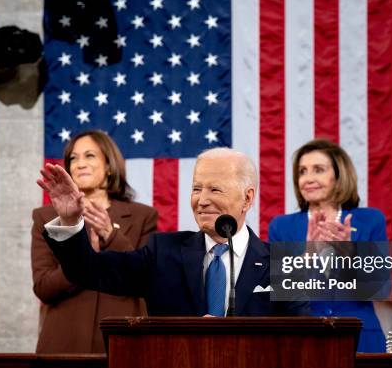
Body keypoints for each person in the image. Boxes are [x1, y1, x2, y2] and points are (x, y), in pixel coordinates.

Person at [37, 148, 310, 317]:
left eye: (214, 190)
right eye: (196, 189)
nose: (201, 200)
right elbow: (86, 270)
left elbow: (304, 338)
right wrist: (71, 220)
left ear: (247, 199)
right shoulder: (162, 253)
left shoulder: (283, 265)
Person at [32, 130, 157, 353]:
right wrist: (81, 259)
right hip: (64, 347)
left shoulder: (143, 217)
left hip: (124, 345)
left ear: (109, 165)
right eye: (73, 158)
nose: (80, 164)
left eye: (89, 156)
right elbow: (43, 288)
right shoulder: (46, 217)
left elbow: (146, 279)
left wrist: (111, 235)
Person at [268, 139, 389, 352]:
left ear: (339, 175)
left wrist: (348, 258)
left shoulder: (370, 220)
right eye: (302, 172)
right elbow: (278, 294)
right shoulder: (282, 227)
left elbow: (380, 290)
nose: (308, 179)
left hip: (361, 338)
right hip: (303, 340)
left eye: (318, 170)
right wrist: (307, 257)